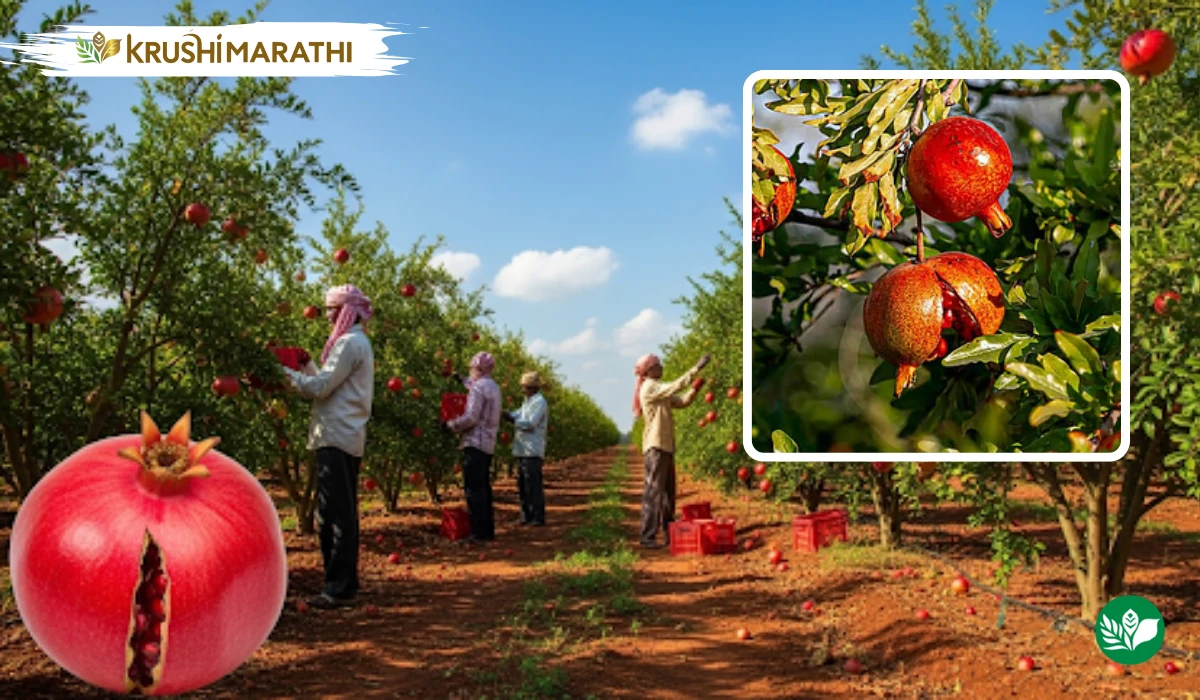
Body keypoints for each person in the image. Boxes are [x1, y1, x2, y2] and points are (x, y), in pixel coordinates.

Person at [281, 284, 375, 608]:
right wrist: (306, 366)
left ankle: (338, 588)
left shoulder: (349, 343)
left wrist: (283, 373)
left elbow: (320, 388)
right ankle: (344, 583)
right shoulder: (357, 342)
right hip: (345, 435)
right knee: (342, 512)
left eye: (333, 310)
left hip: (336, 436)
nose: (329, 316)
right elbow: (327, 383)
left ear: (347, 310)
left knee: (334, 514)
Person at [633, 352, 710, 549]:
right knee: (653, 492)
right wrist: (696, 368)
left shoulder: (659, 390)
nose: (662, 368)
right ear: (650, 370)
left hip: (665, 446)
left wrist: (695, 390)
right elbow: (675, 385)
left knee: (668, 493)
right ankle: (647, 535)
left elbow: (682, 401)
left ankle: (669, 534)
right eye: (658, 365)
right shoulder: (650, 387)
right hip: (656, 446)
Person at [444, 351, 502, 543]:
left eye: (472, 368)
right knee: (483, 488)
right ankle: (487, 531)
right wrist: (461, 380)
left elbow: (471, 418)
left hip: (474, 443)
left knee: (474, 490)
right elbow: (475, 387)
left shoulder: (478, 388)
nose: (470, 372)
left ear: (478, 368)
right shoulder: (493, 387)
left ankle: (477, 534)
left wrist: (450, 425)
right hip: (488, 444)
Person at [502, 371, 549, 526]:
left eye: (525, 387)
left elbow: (529, 423)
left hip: (532, 449)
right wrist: (508, 414)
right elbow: (519, 414)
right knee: (523, 484)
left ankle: (537, 517)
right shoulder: (528, 401)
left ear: (533, 387)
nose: (523, 390)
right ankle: (526, 515)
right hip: (523, 449)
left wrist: (511, 420)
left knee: (532, 484)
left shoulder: (539, 402)